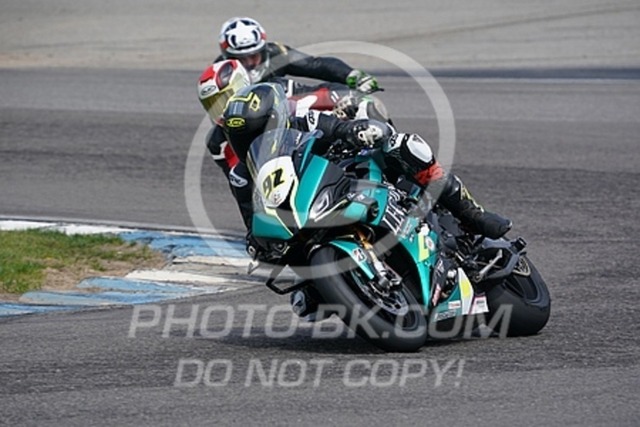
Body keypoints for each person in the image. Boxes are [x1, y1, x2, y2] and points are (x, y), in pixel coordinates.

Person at [221, 83, 512, 319]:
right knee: (306, 297)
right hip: (304, 217)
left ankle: (473, 214)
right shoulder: (242, 176)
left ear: (277, 118)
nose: (251, 141)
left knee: (404, 146)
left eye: (258, 132)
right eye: (241, 137)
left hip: (346, 176)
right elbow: (252, 216)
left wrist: (356, 130)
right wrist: (256, 242)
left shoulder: (302, 121)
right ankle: (355, 288)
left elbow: (337, 127)